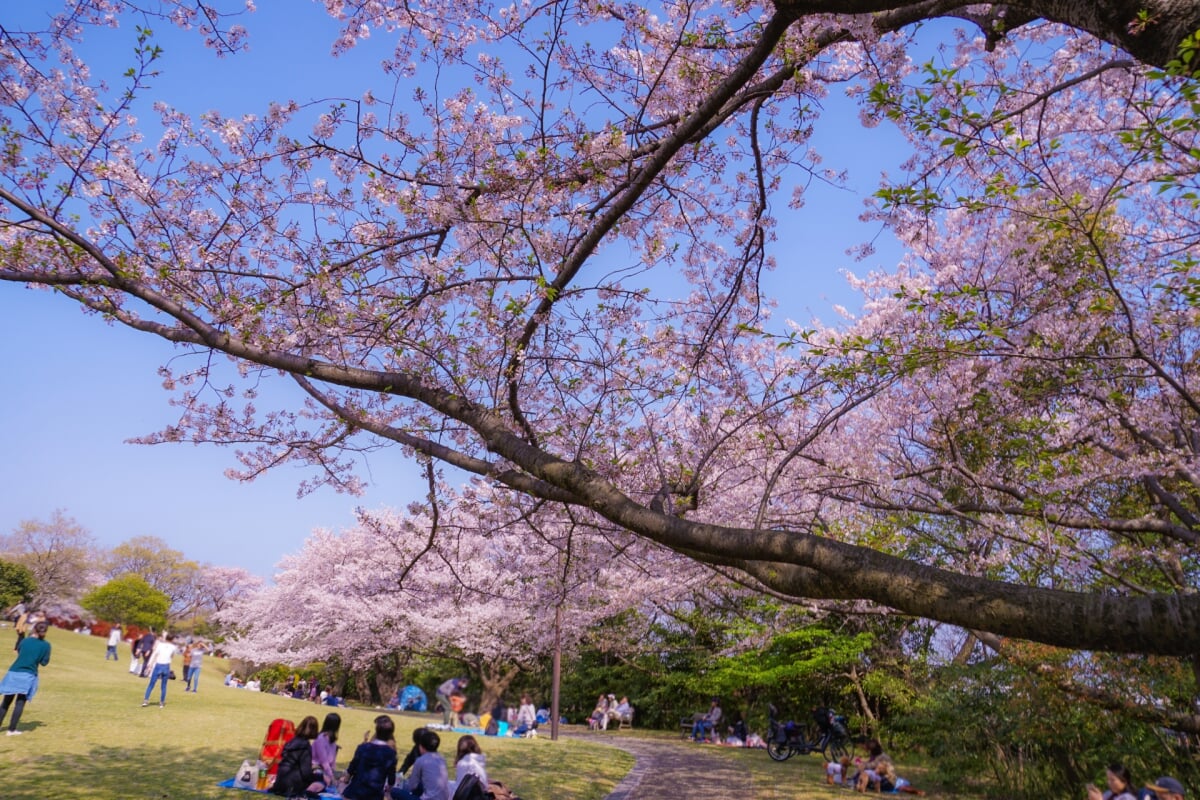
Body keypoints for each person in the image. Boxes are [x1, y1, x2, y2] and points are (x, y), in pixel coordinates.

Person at [0, 620, 50, 736]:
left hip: (14, 672)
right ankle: (11, 730)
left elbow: (19, 651)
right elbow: (44, 662)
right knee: (20, 703)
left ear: (34, 629)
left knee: (6, 702)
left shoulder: (25, 641)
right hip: (28, 674)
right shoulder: (46, 645)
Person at [343, 715, 399, 800]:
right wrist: (389, 787)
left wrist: (346, 779)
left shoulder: (363, 748)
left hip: (355, 792)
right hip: (374, 794)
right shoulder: (390, 754)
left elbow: (352, 767)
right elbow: (391, 776)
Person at [272, 715, 327, 798]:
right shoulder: (305, 747)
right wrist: (316, 775)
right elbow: (305, 772)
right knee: (320, 779)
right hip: (292, 785)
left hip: (280, 781)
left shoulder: (291, 742)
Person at [394, 728, 450, 800]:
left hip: (427, 794)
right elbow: (405, 766)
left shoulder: (421, 760)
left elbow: (412, 785)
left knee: (394, 790)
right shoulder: (441, 758)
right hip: (442, 796)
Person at [141, 631, 177, 708]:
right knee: (163, 686)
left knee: (151, 684)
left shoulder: (160, 645)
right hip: (166, 666)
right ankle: (161, 702)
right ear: (172, 639)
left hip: (158, 665)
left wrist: (150, 664)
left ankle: (145, 700)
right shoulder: (173, 647)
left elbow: (154, 654)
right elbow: (172, 656)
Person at [313, 712, 341, 786]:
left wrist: (333, 771)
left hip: (327, 769)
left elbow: (333, 759)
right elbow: (323, 761)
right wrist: (332, 777)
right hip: (316, 768)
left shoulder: (332, 739)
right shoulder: (321, 739)